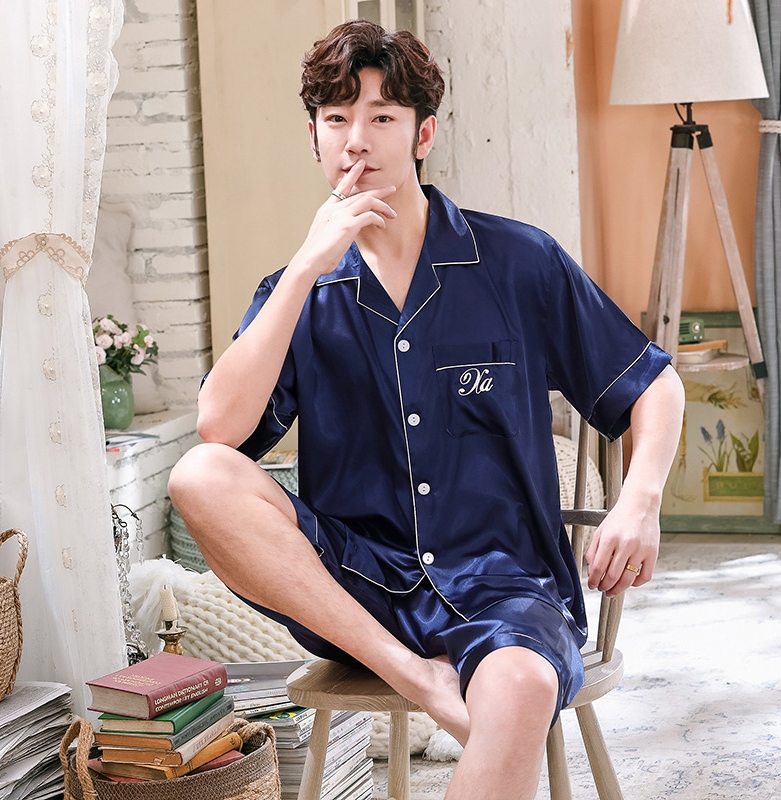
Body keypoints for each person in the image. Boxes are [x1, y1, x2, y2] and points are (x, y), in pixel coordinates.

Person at [169, 19, 684, 800]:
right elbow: (220, 431)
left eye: (382, 116)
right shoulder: (299, 294)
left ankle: (469, 694)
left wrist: (639, 502)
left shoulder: (518, 261)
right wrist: (307, 266)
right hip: (357, 590)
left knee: (519, 689)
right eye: (337, 118)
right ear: (313, 138)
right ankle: (417, 674)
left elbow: (653, 384)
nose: (357, 140)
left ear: (424, 134)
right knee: (198, 474)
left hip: (506, 586)